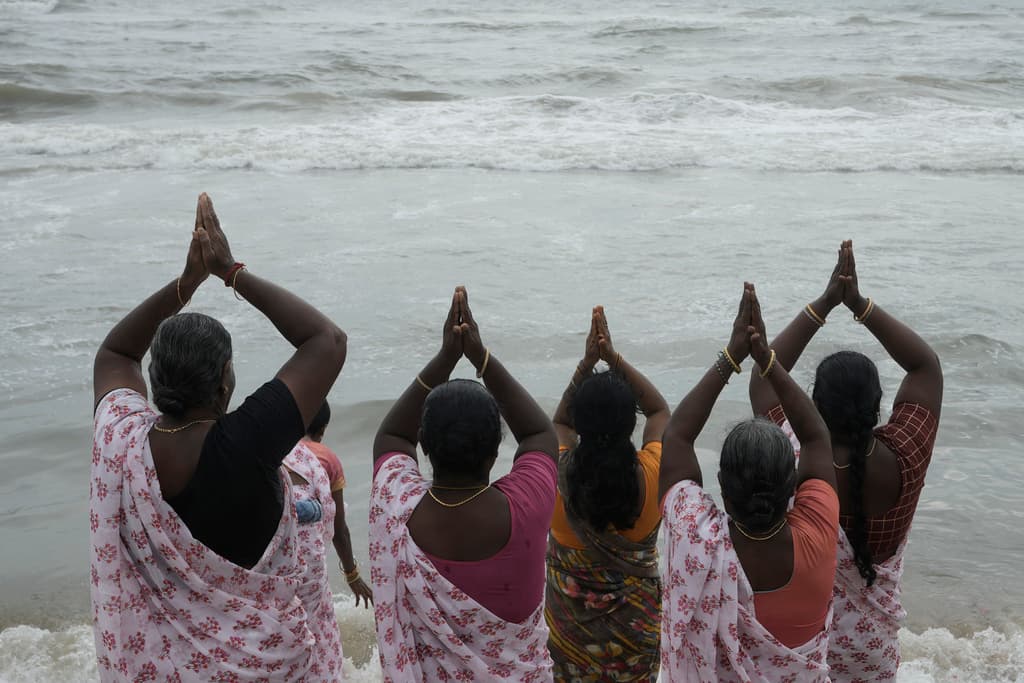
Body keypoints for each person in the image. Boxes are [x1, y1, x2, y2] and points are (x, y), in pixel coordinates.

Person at [91, 193, 347, 682]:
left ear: (155, 378)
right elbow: (327, 340)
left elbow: (115, 353)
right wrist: (230, 271)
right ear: (225, 383)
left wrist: (187, 283)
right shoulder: (249, 441)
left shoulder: (125, 443)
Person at [748, 241, 943, 681]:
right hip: (873, 655)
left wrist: (824, 304)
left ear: (811, 405)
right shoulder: (906, 454)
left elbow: (763, 382)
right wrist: (859, 304)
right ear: (879, 405)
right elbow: (925, 366)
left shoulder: (793, 453)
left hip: (806, 648)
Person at [370, 286, 559, 681]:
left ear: (423, 445)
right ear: (495, 453)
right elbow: (540, 433)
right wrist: (479, 355)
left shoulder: (397, 504)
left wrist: (446, 357)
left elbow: (391, 437)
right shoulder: (526, 507)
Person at [658, 283, 839, 682]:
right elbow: (816, 437)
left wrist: (732, 357)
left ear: (720, 485)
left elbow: (676, 437)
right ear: (794, 485)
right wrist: (768, 361)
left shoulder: (694, 532)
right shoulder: (819, 532)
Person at [546, 307, 669, 682]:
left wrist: (586, 365)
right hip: (637, 647)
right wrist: (613, 358)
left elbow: (558, 423)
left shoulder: (555, 479)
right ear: (631, 424)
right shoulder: (652, 477)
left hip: (569, 649)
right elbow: (659, 409)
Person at [282, 402, 374, 682]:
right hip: (310, 569)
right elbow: (339, 527)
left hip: (279, 564)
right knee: (317, 628)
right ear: (322, 430)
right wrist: (352, 574)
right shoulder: (326, 459)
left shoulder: (279, 452)